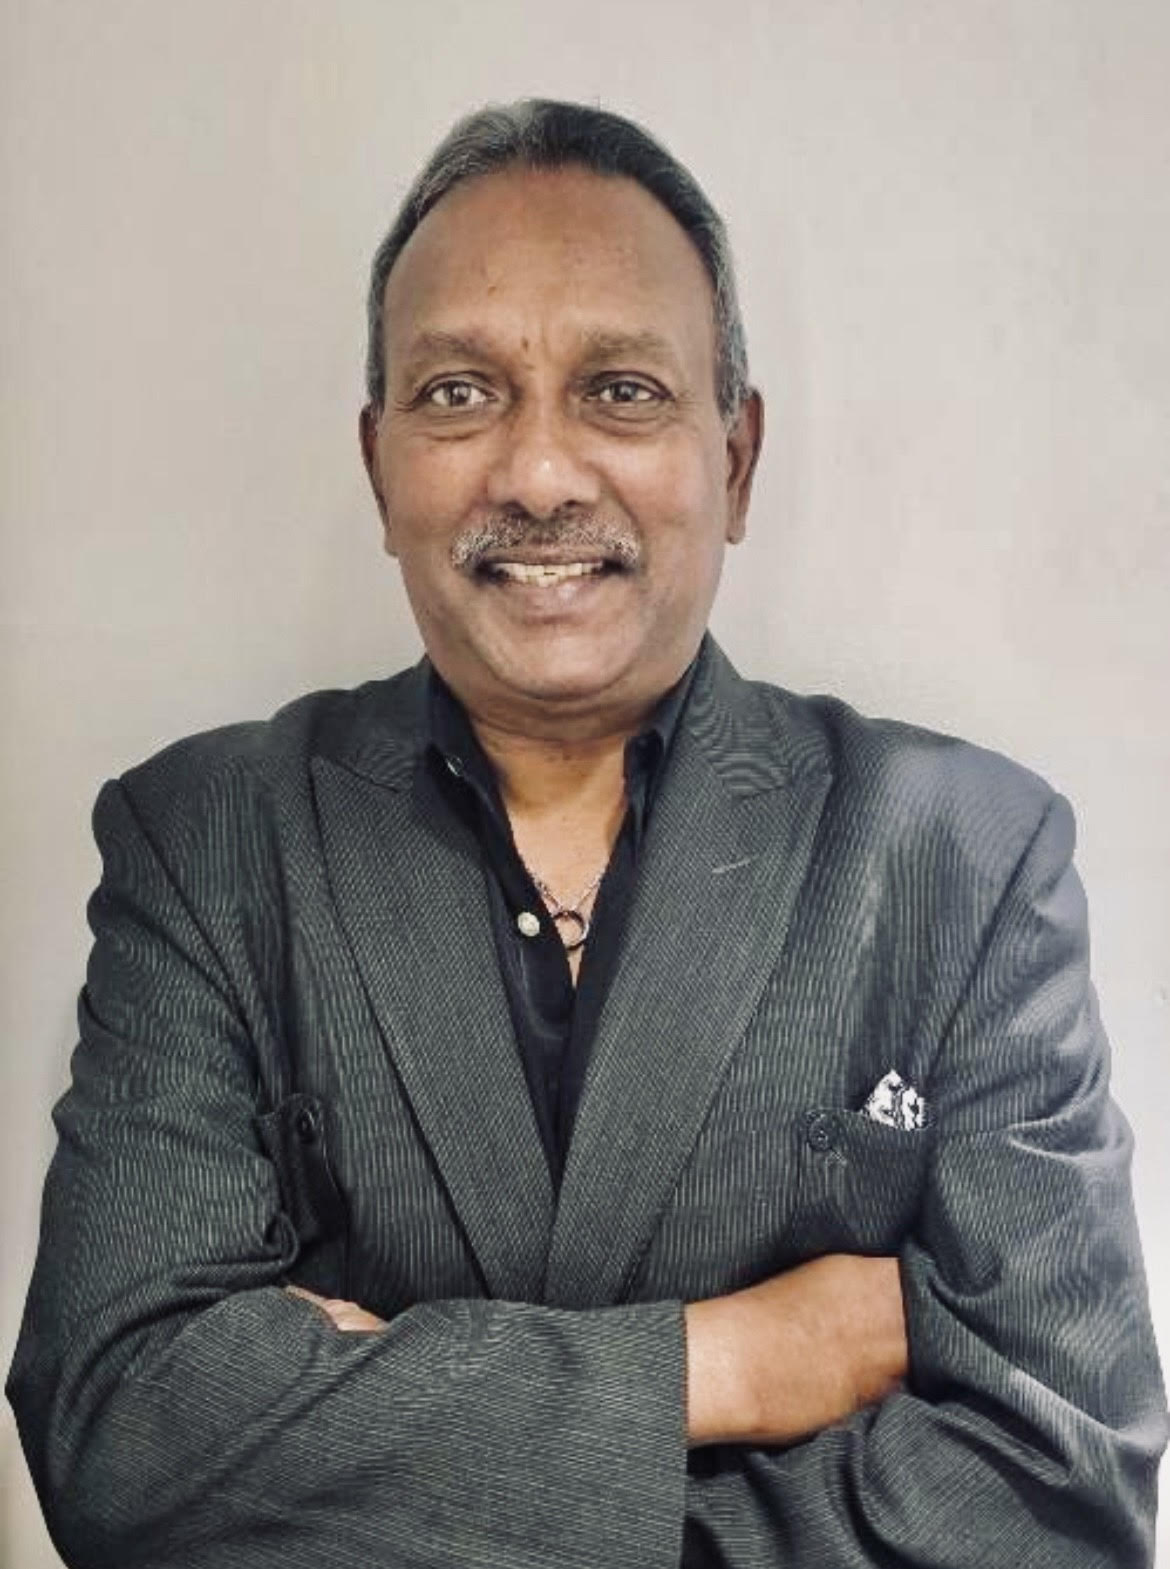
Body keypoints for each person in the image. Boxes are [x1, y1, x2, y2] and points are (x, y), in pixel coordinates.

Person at [7, 98, 1166, 1569]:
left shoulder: (966, 859)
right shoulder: (210, 842)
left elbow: (1058, 1504)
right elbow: (120, 1435)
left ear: (734, 460)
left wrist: (350, 1443)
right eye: (457, 393)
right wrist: (727, 1363)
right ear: (378, 467)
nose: (540, 474)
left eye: (620, 390)